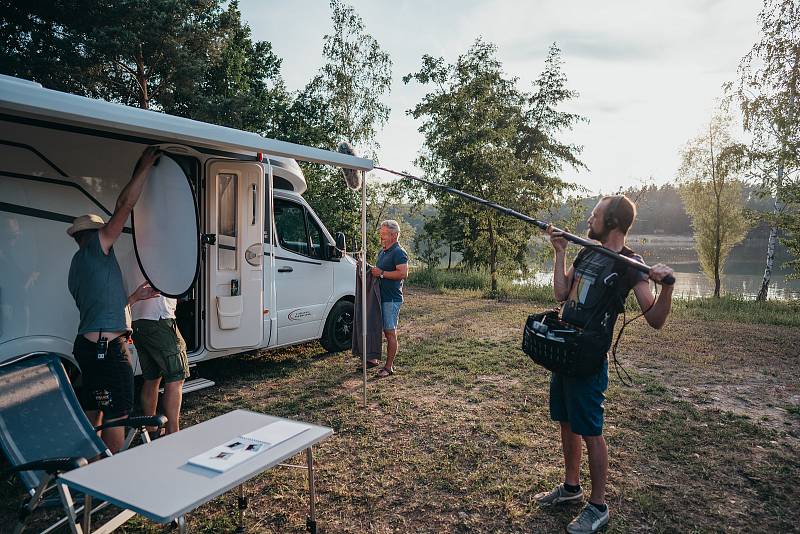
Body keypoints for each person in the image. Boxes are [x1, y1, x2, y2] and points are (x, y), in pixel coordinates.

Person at [535, 195, 674, 534]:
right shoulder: (586, 251)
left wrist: (666, 285)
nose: (588, 220)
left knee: (591, 432)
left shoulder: (631, 264)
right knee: (567, 422)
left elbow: (655, 319)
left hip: (589, 360)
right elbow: (561, 292)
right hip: (565, 351)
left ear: (611, 222)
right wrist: (560, 251)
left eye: (594, 215)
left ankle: (598, 506)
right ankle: (571, 488)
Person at [66, 146, 160, 453]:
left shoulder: (77, 266)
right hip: (109, 350)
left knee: (95, 412)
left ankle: (92, 473)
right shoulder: (99, 247)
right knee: (118, 415)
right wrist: (143, 168)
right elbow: (125, 204)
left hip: (87, 347)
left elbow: (99, 309)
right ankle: (112, 478)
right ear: (95, 234)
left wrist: (132, 298)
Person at [124, 256, 190, 437]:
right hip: (159, 318)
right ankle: (172, 432)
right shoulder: (162, 253)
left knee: (152, 378)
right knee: (176, 377)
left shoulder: (131, 255)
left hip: (137, 321)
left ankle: (151, 428)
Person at [370, 220, 409, 378]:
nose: (382, 238)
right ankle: (373, 359)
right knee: (376, 329)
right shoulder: (383, 251)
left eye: (384, 235)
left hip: (391, 299)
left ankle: (389, 366)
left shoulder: (399, 252)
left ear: (394, 235)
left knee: (389, 332)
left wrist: (381, 273)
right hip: (380, 297)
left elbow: (403, 273)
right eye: (381, 235)